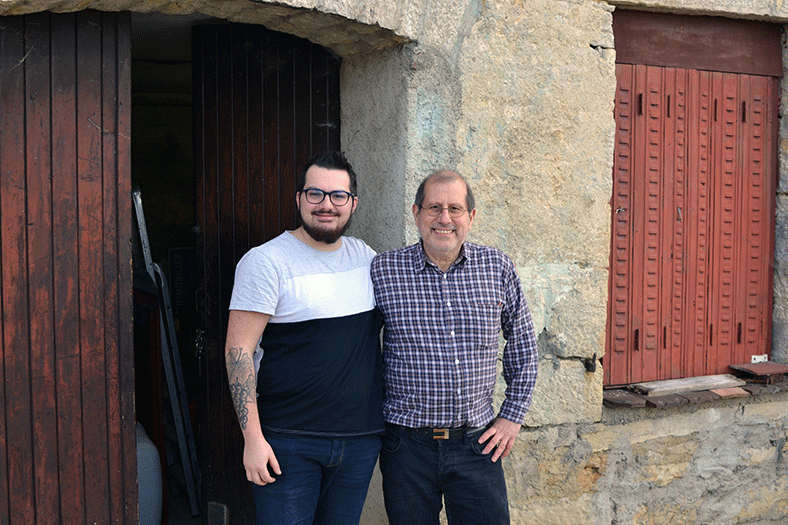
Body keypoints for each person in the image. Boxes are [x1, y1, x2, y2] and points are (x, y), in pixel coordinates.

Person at [370, 169, 538, 525]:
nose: (444, 219)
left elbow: (523, 344)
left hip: (477, 444)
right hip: (406, 448)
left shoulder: (497, 267)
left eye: (455, 209)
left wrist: (512, 416)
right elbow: (357, 349)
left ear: (471, 217)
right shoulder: (384, 271)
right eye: (433, 207)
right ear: (416, 214)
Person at [224, 151, 384, 525]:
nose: (326, 205)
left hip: (359, 442)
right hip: (287, 443)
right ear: (298, 199)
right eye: (315, 194)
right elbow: (239, 351)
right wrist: (252, 439)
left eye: (338, 196)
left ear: (353, 203)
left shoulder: (367, 259)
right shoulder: (265, 262)